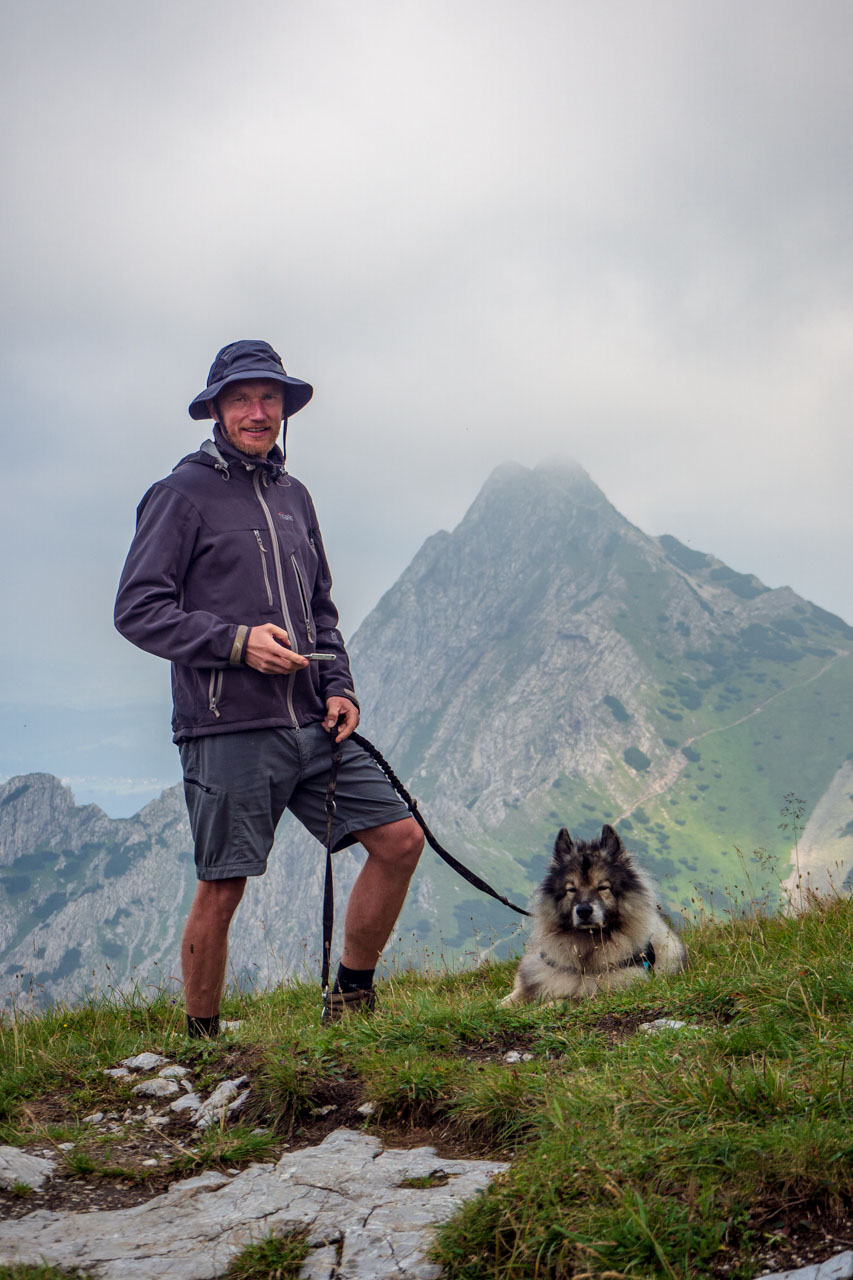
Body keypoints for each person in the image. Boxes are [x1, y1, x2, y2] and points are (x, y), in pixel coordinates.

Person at [114, 339, 424, 1031]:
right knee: (222, 887)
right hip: (227, 726)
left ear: (284, 407)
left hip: (312, 722)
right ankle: (202, 1045)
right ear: (216, 410)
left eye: (269, 399)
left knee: (400, 840)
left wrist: (338, 685)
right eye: (241, 400)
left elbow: (319, 606)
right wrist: (236, 644)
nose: (257, 412)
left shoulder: (294, 496)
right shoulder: (178, 495)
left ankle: (350, 1000)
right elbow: (137, 611)